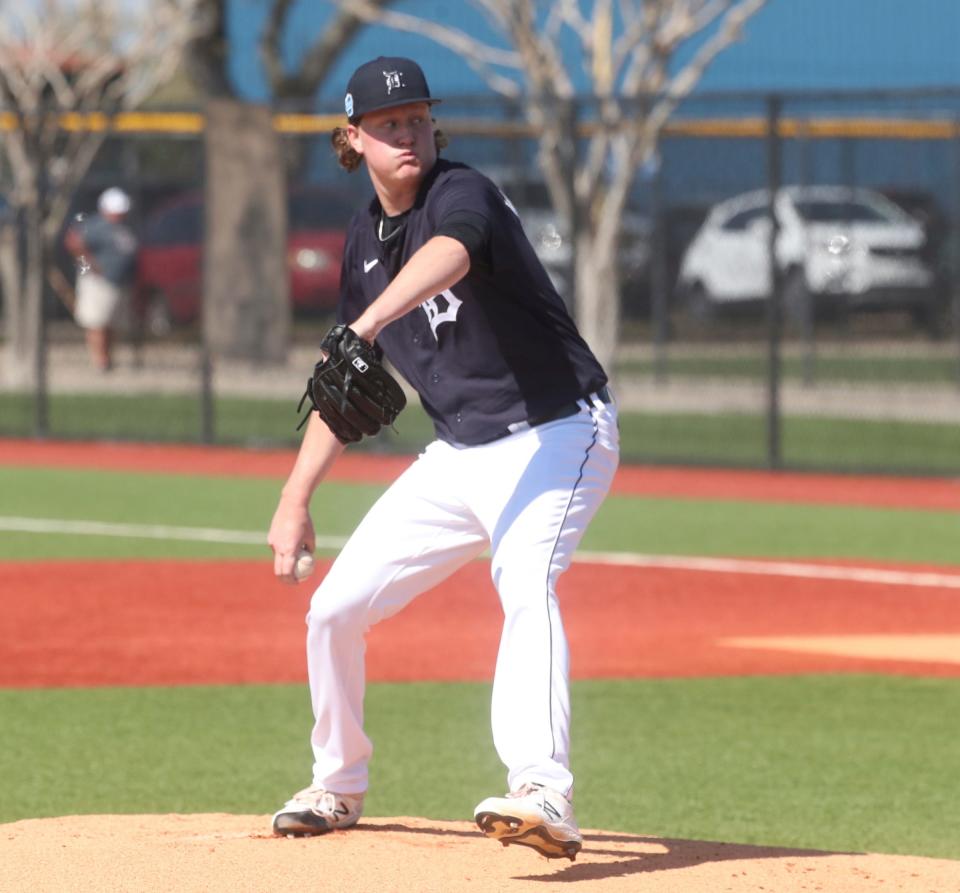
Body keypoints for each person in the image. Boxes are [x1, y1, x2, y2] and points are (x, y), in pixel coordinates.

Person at [267, 56, 619, 861]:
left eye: (418, 118)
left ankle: (542, 789)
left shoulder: (462, 194)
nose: (407, 134)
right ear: (352, 139)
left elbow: (451, 257)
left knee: (525, 577)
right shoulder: (362, 239)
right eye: (388, 125)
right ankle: (337, 781)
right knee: (333, 610)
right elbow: (346, 384)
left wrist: (367, 322)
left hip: (558, 429)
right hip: (460, 452)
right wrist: (295, 498)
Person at [64, 187, 138, 372]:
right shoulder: (95, 225)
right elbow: (73, 242)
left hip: (118, 282)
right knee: (97, 323)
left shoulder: (124, 227)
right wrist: (89, 267)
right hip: (98, 283)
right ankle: (100, 361)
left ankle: (108, 359)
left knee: (112, 324)